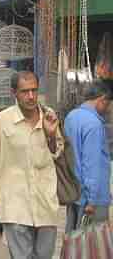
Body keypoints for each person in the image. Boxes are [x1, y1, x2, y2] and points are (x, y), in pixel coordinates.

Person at [0, 71, 63, 259]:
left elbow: (57, 153)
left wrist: (51, 135)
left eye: (34, 90)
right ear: (13, 92)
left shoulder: (49, 117)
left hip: (45, 204)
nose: (31, 96)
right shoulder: (1, 121)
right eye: (25, 91)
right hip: (15, 206)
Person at [64, 81, 112, 231]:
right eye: (108, 104)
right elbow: (92, 164)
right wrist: (92, 200)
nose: (108, 109)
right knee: (94, 246)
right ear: (102, 99)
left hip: (73, 192)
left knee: (74, 242)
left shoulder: (71, 117)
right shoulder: (94, 125)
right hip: (91, 198)